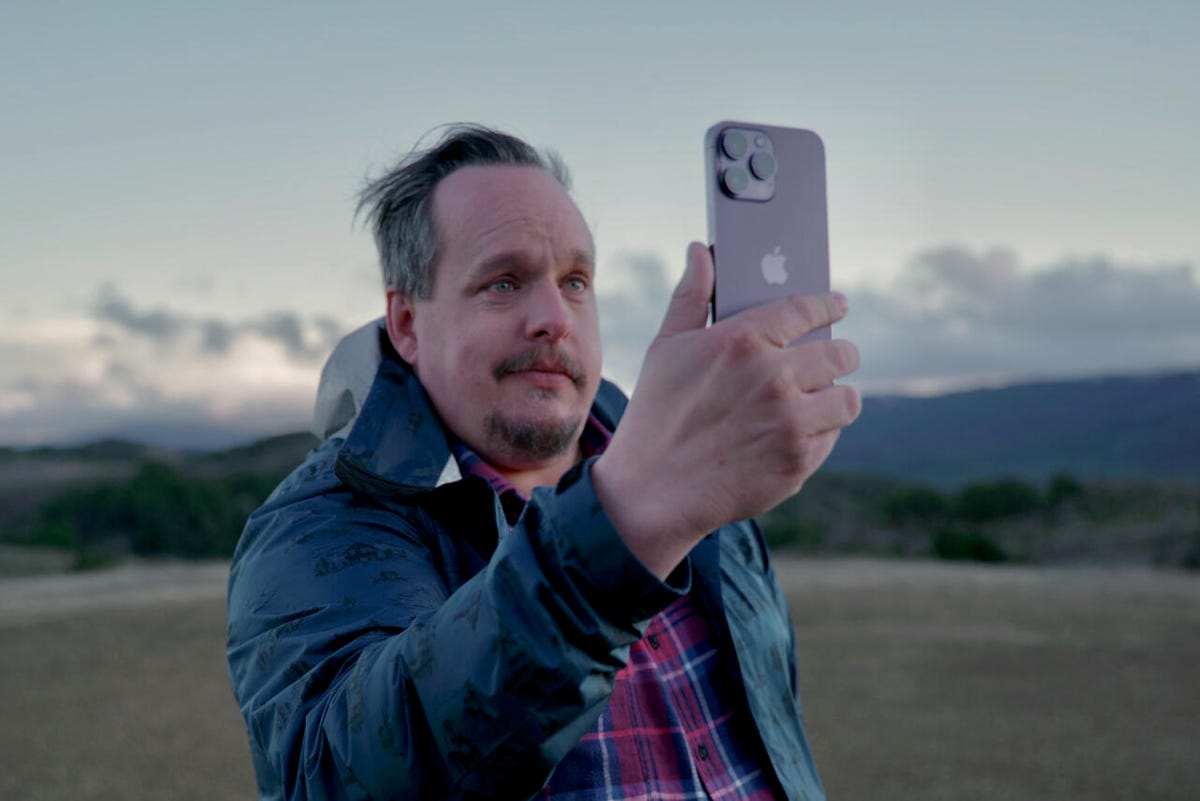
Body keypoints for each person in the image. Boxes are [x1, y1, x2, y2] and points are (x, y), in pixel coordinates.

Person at [226, 124, 860, 801]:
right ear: (407, 323)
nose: (554, 316)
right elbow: (344, 772)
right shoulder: (320, 524)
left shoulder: (693, 468)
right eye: (503, 283)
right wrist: (623, 523)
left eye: (576, 280)